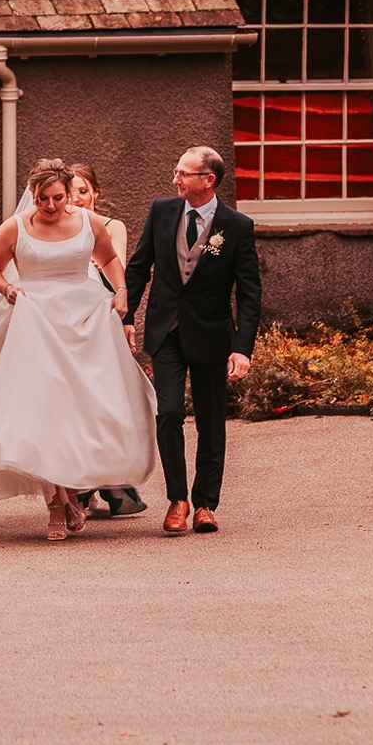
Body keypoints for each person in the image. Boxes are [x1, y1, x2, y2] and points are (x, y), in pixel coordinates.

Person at [0, 158, 158, 541]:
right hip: (34, 323)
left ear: (68, 193)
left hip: (84, 322)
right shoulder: (14, 228)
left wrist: (122, 291)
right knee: (43, 410)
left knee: (81, 410)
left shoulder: (89, 223)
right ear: (33, 195)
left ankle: (74, 492)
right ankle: (56, 504)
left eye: (58, 198)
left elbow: (109, 258)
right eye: (43, 198)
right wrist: (9, 289)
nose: (50, 206)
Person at [124, 145, 259, 536]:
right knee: (167, 412)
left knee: (212, 423)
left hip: (213, 334)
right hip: (166, 330)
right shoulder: (161, 211)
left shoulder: (236, 227)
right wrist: (127, 316)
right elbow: (138, 267)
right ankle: (177, 499)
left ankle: (206, 504)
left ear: (208, 180)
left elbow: (250, 293)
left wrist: (242, 347)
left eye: (183, 173)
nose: (175, 179)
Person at [69, 162, 149, 520]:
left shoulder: (111, 226)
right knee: (75, 399)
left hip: (102, 316)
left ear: (95, 193)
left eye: (83, 191)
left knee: (104, 398)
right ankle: (79, 486)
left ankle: (106, 479)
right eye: (70, 193)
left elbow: (108, 263)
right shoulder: (57, 227)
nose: (76, 199)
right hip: (69, 319)